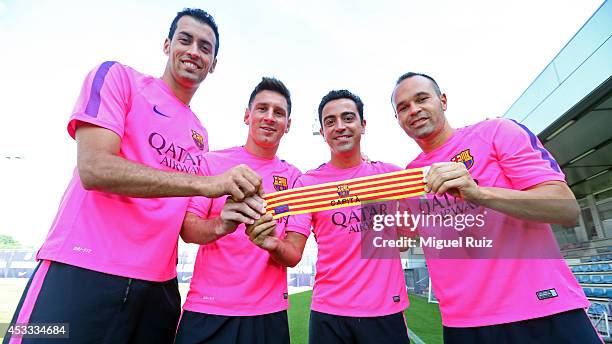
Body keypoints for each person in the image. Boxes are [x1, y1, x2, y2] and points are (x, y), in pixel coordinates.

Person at [5, 8, 263, 344]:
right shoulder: (118, 77)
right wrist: (209, 183)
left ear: (213, 63)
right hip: (81, 270)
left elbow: (185, 225)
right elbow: (94, 168)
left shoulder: (199, 132)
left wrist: (222, 224)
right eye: (185, 40)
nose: (194, 51)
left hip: (157, 290)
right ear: (167, 44)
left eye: (205, 47)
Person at [391, 72, 600, 343]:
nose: (414, 110)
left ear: (442, 100)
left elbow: (566, 208)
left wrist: (479, 193)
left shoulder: (497, 132)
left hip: (543, 310)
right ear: (398, 120)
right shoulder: (409, 175)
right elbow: (400, 240)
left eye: (422, 99)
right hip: (465, 324)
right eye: (403, 107)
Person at [250, 89, 411, 344]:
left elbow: (422, 230)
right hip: (329, 314)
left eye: (348, 118)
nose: (340, 127)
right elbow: (292, 254)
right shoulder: (308, 184)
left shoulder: (391, 177)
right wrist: (272, 243)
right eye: (330, 121)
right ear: (323, 132)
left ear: (363, 125)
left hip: (384, 312)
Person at [173, 77, 302, 344]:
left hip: (268, 314)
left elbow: (293, 255)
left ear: (288, 125)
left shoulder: (295, 178)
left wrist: (272, 244)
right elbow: (187, 229)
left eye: (279, 112)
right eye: (262, 109)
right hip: (208, 310)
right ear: (247, 115)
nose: (269, 117)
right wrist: (222, 224)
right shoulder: (212, 163)